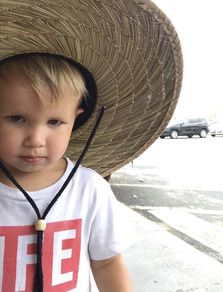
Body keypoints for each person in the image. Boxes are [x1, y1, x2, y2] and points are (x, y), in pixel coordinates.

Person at [0, 0, 183, 291]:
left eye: (54, 122)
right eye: (16, 118)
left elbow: (107, 263)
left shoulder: (90, 189)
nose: (35, 139)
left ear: (76, 119)